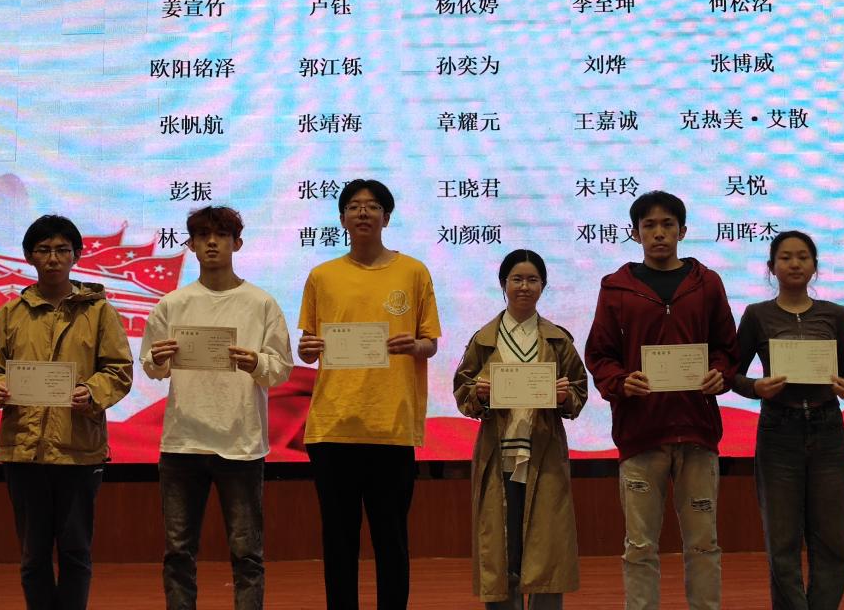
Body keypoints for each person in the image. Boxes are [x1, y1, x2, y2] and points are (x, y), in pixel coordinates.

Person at [585, 191, 739, 610]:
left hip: (697, 432)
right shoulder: (616, 288)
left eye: (667, 224)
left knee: (704, 543)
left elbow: (727, 348)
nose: (658, 233)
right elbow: (599, 354)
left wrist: (719, 373)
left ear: (682, 231)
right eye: (649, 225)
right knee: (639, 546)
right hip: (640, 433)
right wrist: (621, 382)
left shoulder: (707, 284)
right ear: (635, 233)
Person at [297, 179, 442, 610]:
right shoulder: (322, 276)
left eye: (373, 206)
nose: (363, 212)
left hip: (391, 426)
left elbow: (430, 342)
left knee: (391, 540)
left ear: (387, 218)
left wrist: (415, 346)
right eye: (354, 206)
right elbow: (308, 347)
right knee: (338, 541)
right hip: (333, 427)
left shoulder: (413, 272)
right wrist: (306, 350)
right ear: (342, 218)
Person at [140, 206, 293, 610]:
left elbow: (281, 369)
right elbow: (151, 366)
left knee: (247, 555)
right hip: (182, 443)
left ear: (237, 243)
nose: (212, 242)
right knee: (178, 554)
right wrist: (158, 358)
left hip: (240, 444)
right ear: (190, 245)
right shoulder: (172, 304)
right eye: (202, 236)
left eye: (222, 235)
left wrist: (256, 362)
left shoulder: (261, 303)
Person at [0, 214, 133, 610]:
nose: (53, 258)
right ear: (29, 257)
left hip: (78, 449)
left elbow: (119, 370)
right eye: (43, 250)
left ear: (77, 255)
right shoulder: (10, 313)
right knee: (33, 556)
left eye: (62, 250)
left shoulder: (99, 311)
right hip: (24, 451)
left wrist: (92, 392)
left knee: (75, 552)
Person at [732, 230, 844, 610]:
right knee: (782, 541)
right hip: (779, 432)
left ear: (814, 266)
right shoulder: (757, 315)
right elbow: (731, 375)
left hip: (828, 430)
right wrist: (756, 387)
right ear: (771, 267)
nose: (794, 264)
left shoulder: (833, 314)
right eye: (785, 257)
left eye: (802, 257)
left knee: (833, 541)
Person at [454, 249, 588, 610]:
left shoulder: (558, 340)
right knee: (502, 550)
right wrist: (479, 394)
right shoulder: (484, 339)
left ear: (543, 285)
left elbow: (579, 391)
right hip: (498, 456)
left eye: (532, 279)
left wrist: (565, 397)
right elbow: (462, 390)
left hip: (543, 454)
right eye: (517, 279)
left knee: (546, 550)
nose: (524, 286)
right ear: (503, 284)